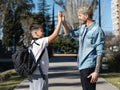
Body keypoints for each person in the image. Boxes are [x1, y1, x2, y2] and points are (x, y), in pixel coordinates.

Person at [61, 5, 105, 90]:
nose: (79, 18)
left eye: (80, 15)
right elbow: (69, 34)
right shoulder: (83, 28)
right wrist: (63, 23)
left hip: (89, 66)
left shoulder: (97, 30)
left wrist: (96, 71)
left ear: (86, 16)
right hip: (82, 66)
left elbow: (100, 52)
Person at [28, 11, 62, 90]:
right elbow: (55, 35)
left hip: (34, 74)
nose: (43, 32)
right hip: (40, 75)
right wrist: (59, 21)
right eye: (41, 31)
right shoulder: (40, 42)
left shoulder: (32, 43)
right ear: (36, 33)